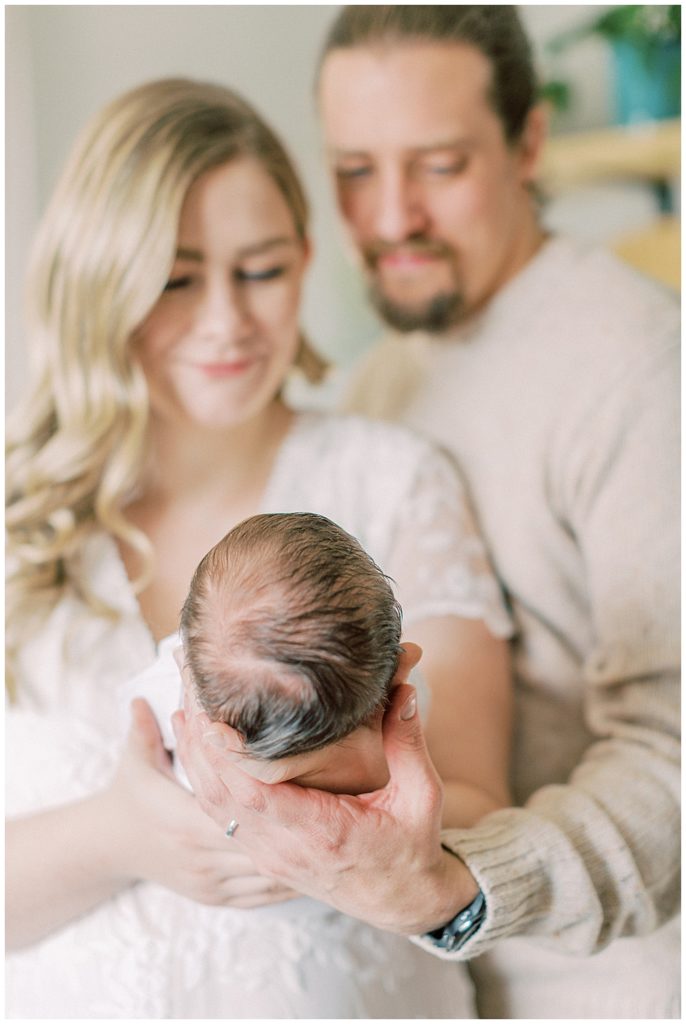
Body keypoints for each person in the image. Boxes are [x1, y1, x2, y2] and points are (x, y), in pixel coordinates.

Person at [174, 6, 681, 1020]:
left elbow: (673, 759)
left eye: (438, 165)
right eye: (356, 171)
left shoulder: (638, 368)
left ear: (527, 141)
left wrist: (456, 887)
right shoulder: (374, 391)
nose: (392, 215)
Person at [5, 75, 513, 1018]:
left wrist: (336, 822)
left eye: (263, 270)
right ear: (98, 280)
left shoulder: (396, 479)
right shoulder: (14, 525)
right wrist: (116, 835)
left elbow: (486, 805)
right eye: (176, 277)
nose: (227, 321)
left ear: (307, 259)